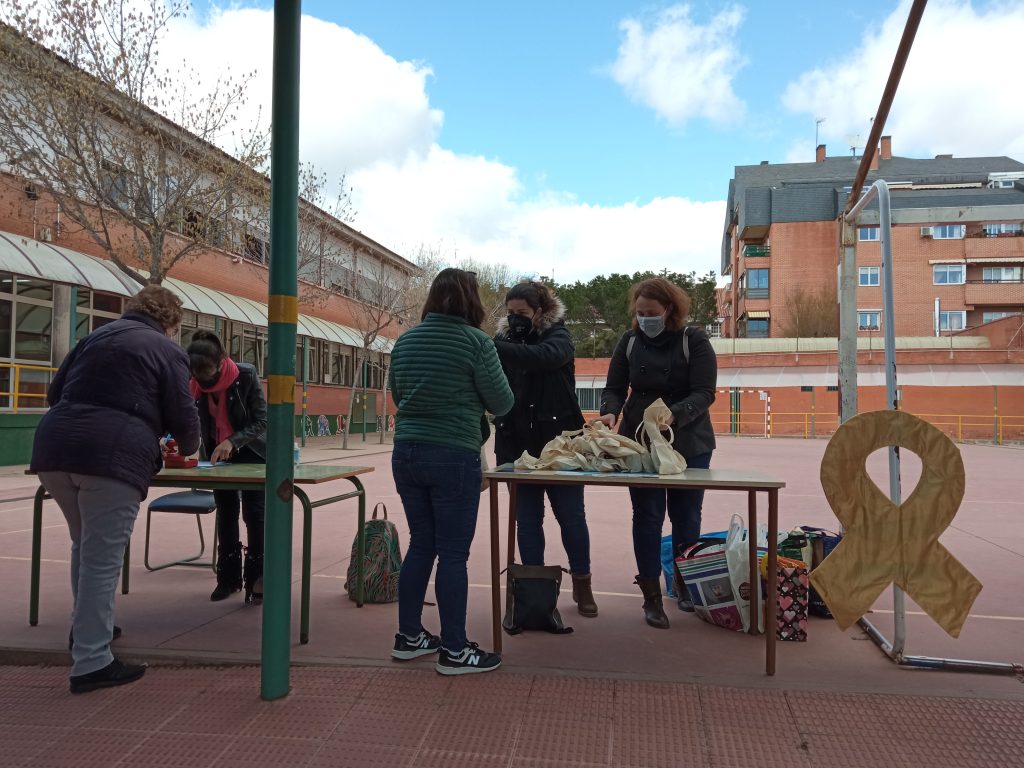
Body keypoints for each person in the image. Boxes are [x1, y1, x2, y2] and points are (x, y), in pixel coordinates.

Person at [31, 285, 200, 693]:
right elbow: (183, 412)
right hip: (111, 454)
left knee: (85, 544)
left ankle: (86, 629)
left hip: (54, 447)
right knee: (102, 557)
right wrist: (190, 445)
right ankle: (92, 661)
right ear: (171, 322)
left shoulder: (94, 337)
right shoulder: (166, 350)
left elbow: (55, 394)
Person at [388, 268, 514, 675]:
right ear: (470, 300)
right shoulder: (477, 343)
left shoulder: (405, 340)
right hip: (452, 454)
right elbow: (502, 402)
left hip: (406, 451)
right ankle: (455, 650)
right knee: (454, 554)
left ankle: (409, 636)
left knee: (422, 544)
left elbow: (397, 393)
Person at [596, 278, 717, 629]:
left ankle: (683, 586)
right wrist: (609, 411)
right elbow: (615, 387)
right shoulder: (630, 341)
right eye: (640, 313)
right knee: (647, 517)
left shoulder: (693, 340)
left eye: (653, 313)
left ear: (670, 310)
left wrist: (674, 414)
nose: (646, 318)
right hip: (639, 440)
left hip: (689, 440)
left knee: (686, 515)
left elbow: (705, 392)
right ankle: (650, 596)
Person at [492, 280, 596, 617]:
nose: (515, 319)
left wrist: (491, 346)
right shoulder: (504, 341)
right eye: (510, 313)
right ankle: (534, 592)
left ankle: (582, 584)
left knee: (571, 518)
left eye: (521, 313)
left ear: (539, 311)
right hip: (517, 446)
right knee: (527, 521)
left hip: (560, 446)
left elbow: (543, 357)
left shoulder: (559, 337)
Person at [187, 329, 267, 604]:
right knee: (226, 512)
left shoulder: (245, 375)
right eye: (198, 375)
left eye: (207, 373)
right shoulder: (194, 382)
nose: (203, 379)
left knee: (255, 514)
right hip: (216, 457)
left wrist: (233, 441)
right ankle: (228, 578)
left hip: (252, 454)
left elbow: (262, 421)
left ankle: (258, 579)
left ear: (221, 362)